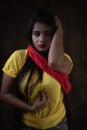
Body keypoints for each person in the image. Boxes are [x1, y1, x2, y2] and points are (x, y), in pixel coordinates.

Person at [0, 8, 73, 130]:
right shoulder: (19, 58)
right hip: (28, 125)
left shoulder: (64, 60)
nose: (42, 39)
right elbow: (4, 93)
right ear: (31, 34)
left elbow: (53, 62)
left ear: (54, 35)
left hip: (59, 124)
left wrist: (59, 26)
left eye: (48, 33)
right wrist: (30, 108)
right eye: (37, 34)